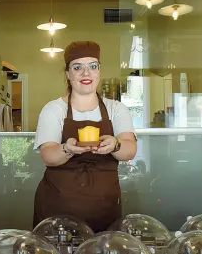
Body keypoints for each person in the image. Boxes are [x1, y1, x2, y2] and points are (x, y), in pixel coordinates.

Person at [32, 41, 137, 232]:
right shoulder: (54, 109)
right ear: (67, 74)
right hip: (58, 208)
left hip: (105, 207)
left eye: (93, 66)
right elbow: (48, 155)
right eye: (77, 67)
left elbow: (129, 150)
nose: (86, 73)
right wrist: (67, 149)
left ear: (99, 71)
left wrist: (116, 145)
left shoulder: (116, 109)